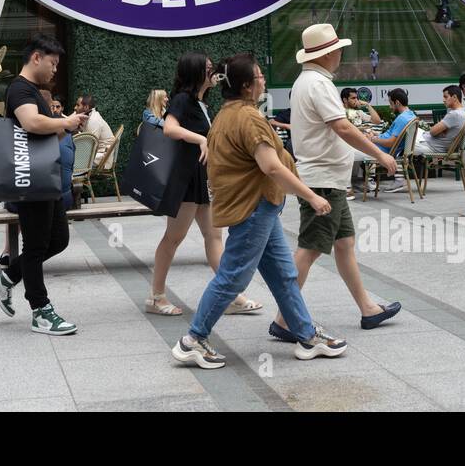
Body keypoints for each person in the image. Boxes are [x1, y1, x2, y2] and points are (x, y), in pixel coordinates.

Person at [171, 53, 346, 369]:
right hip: (254, 209)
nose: (264, 80)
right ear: (248, 86)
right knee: (233, 277)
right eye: (261, 76)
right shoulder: (249, 118)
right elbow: (272, 167)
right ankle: (193, 340)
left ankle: (306, 335)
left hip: (259, 208)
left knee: (284, 276)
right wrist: (311, 197)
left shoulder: (226, 114)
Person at [270, 25, 401, 343]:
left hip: (326, 179)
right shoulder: (318, 84)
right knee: (310, 249)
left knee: (343, 245)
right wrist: (380, 154)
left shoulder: (308, 81)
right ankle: (284, 318)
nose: (341, 53)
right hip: (323, 181)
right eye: (338, 49)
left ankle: (368, 309)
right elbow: (342, 127)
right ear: (327, 52)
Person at [0, 34, 87, 336]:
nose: (55, 70)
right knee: (37, 245)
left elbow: (45, 135)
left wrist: (66, 126)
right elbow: (30, 124)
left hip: (44, 176)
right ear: (37, 58)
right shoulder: (19, 89)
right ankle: (41, 310)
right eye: (53, 63)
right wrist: (64, 122)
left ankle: (5, 279)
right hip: (29, 179)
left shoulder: (34, 92)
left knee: (58, 240)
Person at [146, 52, 261, 318]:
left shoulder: (201, 103)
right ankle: (156, 296)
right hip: (185, 179)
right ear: (195, 72)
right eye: (208, 68)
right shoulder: (183, 100)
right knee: (173, 238)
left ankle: (231, 295)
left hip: (200, 178)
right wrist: (200, 139)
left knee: (214, 237)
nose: (214, 72)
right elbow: (169, 128)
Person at [370, 88, 415, 193]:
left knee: (350, 148)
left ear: (397, 102)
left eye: (391, 103)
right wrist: (377, 136)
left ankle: (352, 186)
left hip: (382, 150)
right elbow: (391, 136)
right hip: (382, 146)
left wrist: (372, 139)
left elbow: (391, 142)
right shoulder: (410, 115)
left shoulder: (402, 119)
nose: (390, 107)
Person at [416, 85, 465, 154]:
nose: (443, 100)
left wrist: (440, 130)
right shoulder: (463, 112)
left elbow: (432, 131)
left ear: (454, 97)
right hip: (430, 143)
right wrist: (442, 131)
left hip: (430, 146)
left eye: (445, 97)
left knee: (405, 140)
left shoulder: (454, 114)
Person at [74, 94, 114, 164]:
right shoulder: (90, 116)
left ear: (86, 107)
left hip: (102, 159)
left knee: (68, 158)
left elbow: (88, 147)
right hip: (98, 154)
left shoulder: (93, 120)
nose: (75, 108)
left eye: (78, 105)